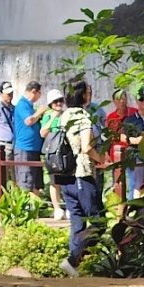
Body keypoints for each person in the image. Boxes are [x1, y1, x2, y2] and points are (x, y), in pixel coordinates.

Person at [57, 79, 106, 277]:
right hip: (82, 174)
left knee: (77, 223)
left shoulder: (64, 115)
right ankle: (72, 260)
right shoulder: (82, 116)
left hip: (65, 175)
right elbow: (86, 146)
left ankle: (73, 268)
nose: (91, 94)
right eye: (88, 91)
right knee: (98, 222)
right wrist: (102, 159)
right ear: (82, 95)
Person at [121, 89, 144, 199]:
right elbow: (123, 137)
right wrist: (137, 141)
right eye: (141, 99)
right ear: (137, 101)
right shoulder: (130, 120)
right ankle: (135, 207)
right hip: (136, 156)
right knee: (138, 181)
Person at [40, 89, 67, 220]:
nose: (58, 104)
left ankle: (68, 206)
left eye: (60, 101)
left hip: (65, 150)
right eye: (55, 101)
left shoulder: (67, 114)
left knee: (67, 179)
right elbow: (42, 133)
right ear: (51, 103)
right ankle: (57, 208)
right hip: (52, 150)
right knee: (54, 180)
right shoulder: (48, 115)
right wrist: (53, 118)